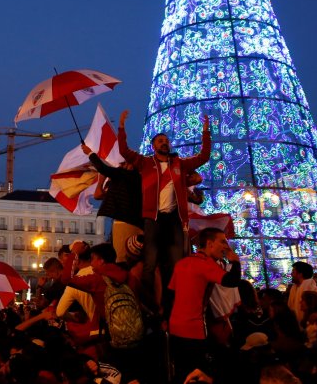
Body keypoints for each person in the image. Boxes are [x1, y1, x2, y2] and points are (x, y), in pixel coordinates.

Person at [116, 110, 212, 307]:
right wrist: (122, 127)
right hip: (153, 218)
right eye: (159, 140)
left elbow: (203, 156)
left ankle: (176, 301)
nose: (163, 142)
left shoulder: (180, 164)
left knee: (177, 262)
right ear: (153, 146)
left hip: (175, 219)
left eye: (166, 140)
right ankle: (150, 304)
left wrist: (205, 132)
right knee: (150, 263)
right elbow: (124, 151)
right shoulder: (144, 163)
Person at [167, 227, 241, 383]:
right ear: (209, 243)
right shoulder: (205, 263)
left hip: (174, 328)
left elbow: (171, 295)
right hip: (193, 330)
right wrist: (235, 261)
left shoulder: (182, 263)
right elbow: (232, 281)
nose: (226, 247)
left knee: (181, 372)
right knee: (197, 374)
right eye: (222, 242)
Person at [80, 142, 143, 263]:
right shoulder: (128, 179)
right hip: (133, 221)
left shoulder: (126, 175)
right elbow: (98, 194)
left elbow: (103, 168)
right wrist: (102, 179)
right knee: (131, 257)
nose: (122, 165)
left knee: (122, 257)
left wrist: (90, 153)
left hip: (124, 221)